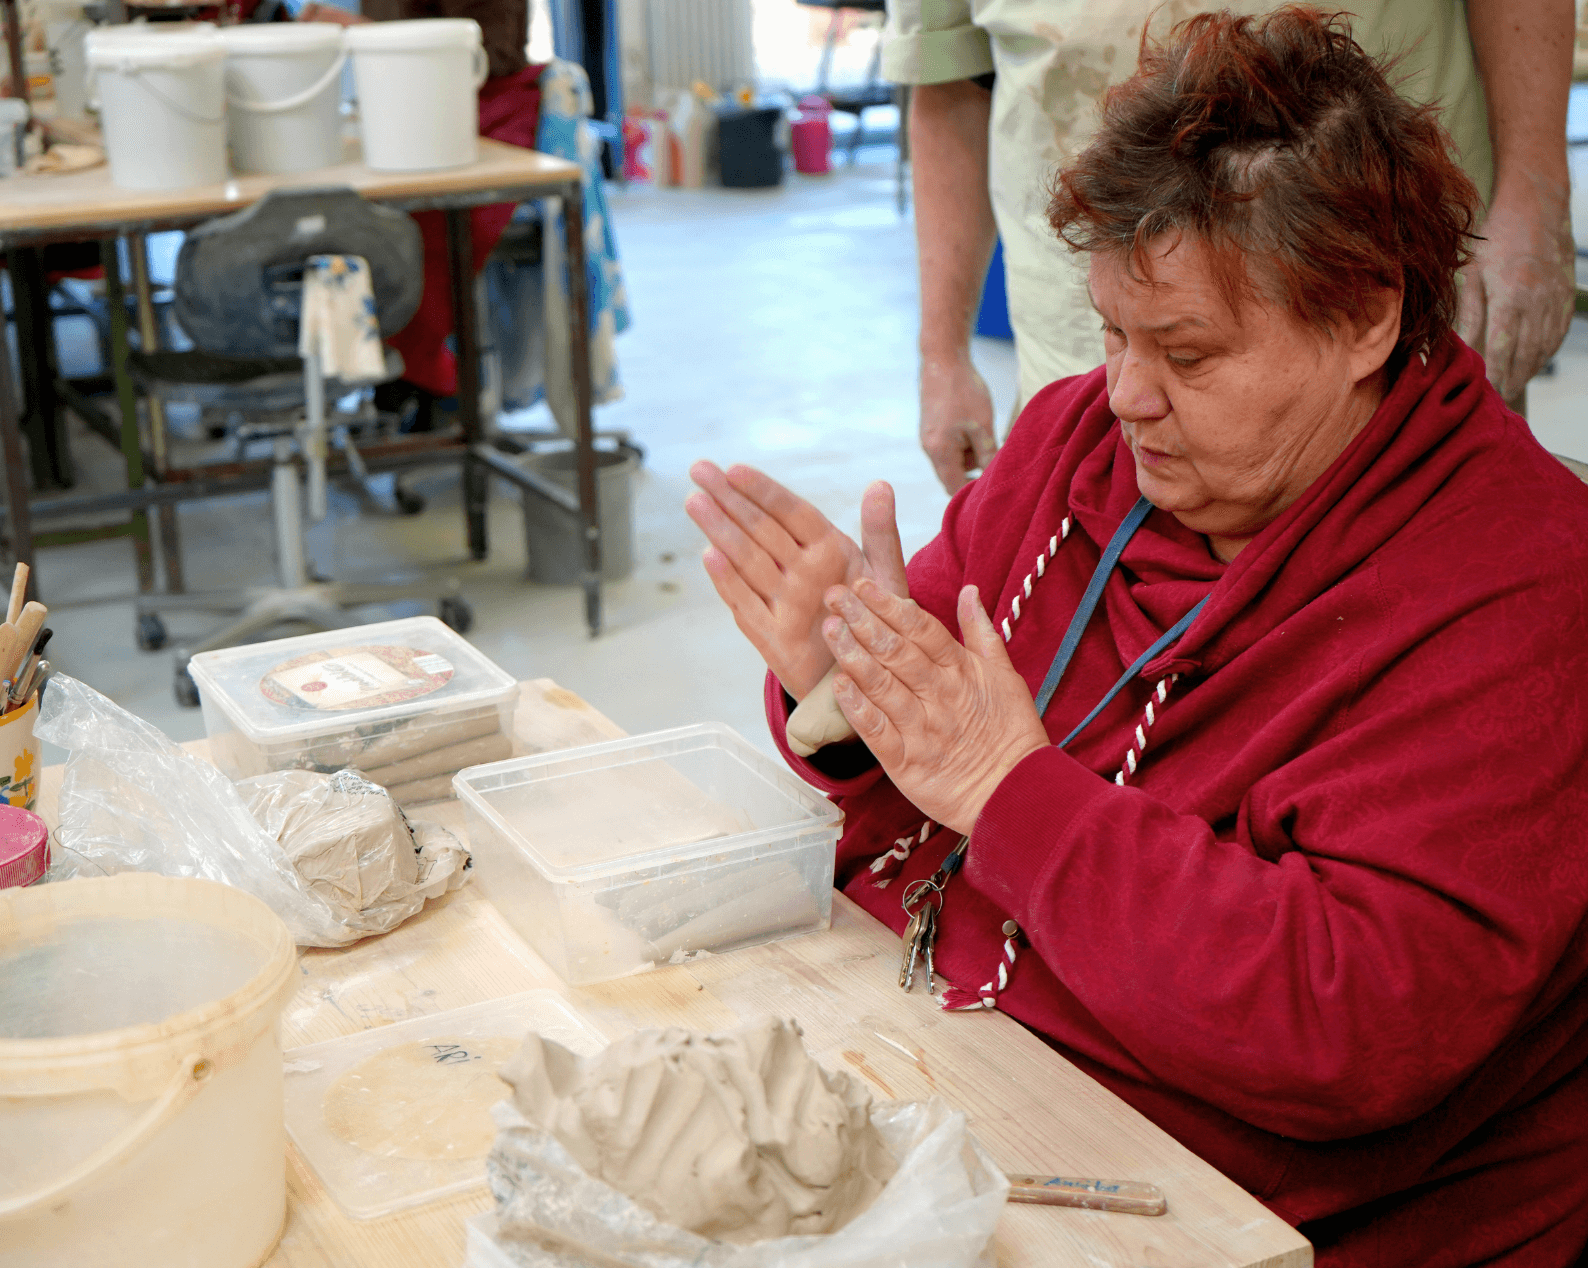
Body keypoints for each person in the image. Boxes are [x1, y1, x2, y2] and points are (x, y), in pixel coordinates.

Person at [685, 9, 1588, 1264]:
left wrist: (1010, 791)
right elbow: (908, 812)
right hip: (979, 1093)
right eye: (1111, 331)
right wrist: (846, 692)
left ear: (1366, 318)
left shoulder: (1525, 583)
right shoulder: (1075, 448)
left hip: (1268, 1216)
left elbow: (1350, 1027)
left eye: (1187, 352)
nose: (1123, 395)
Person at [888, 0, 1577, 492]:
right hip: (1061, 352)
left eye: (1187, 353)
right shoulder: (1077, 425)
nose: (1123, 399)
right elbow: (948, 86)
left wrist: (1537, 193)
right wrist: (940, 356)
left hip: (1378, 343)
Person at [299, 0, 545, 429]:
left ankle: (428, 378)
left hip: (482, 116)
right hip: (409, 112)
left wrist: (364, 31)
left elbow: (495, 54)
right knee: (330, 213)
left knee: (409, 229)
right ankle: (388, 374)